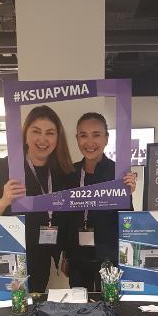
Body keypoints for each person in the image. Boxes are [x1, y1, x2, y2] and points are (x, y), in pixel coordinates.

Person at [0, 105, 74, 293]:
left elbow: (68, 218)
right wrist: (5, 200)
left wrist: (65, 255)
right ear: (25, 134)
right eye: (36, 131)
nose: (43, 139)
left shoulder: (61, 170)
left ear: (57, 138)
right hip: (10, 257)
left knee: (33, 310)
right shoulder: (6, 167)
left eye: (50, 133)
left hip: (42, 258)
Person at [63, 112, 136, 291]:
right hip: (78, 258)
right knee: (80, 308)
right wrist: (66, 256)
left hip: (109, 256)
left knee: (109, 306)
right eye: (83, 135)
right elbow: (66, 219)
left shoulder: (118, 174)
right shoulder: (71, 173)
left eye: (96, 135)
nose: (89, 142)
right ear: (77, 139)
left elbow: (127, 219)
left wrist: (128, 192)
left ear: (106, 138)